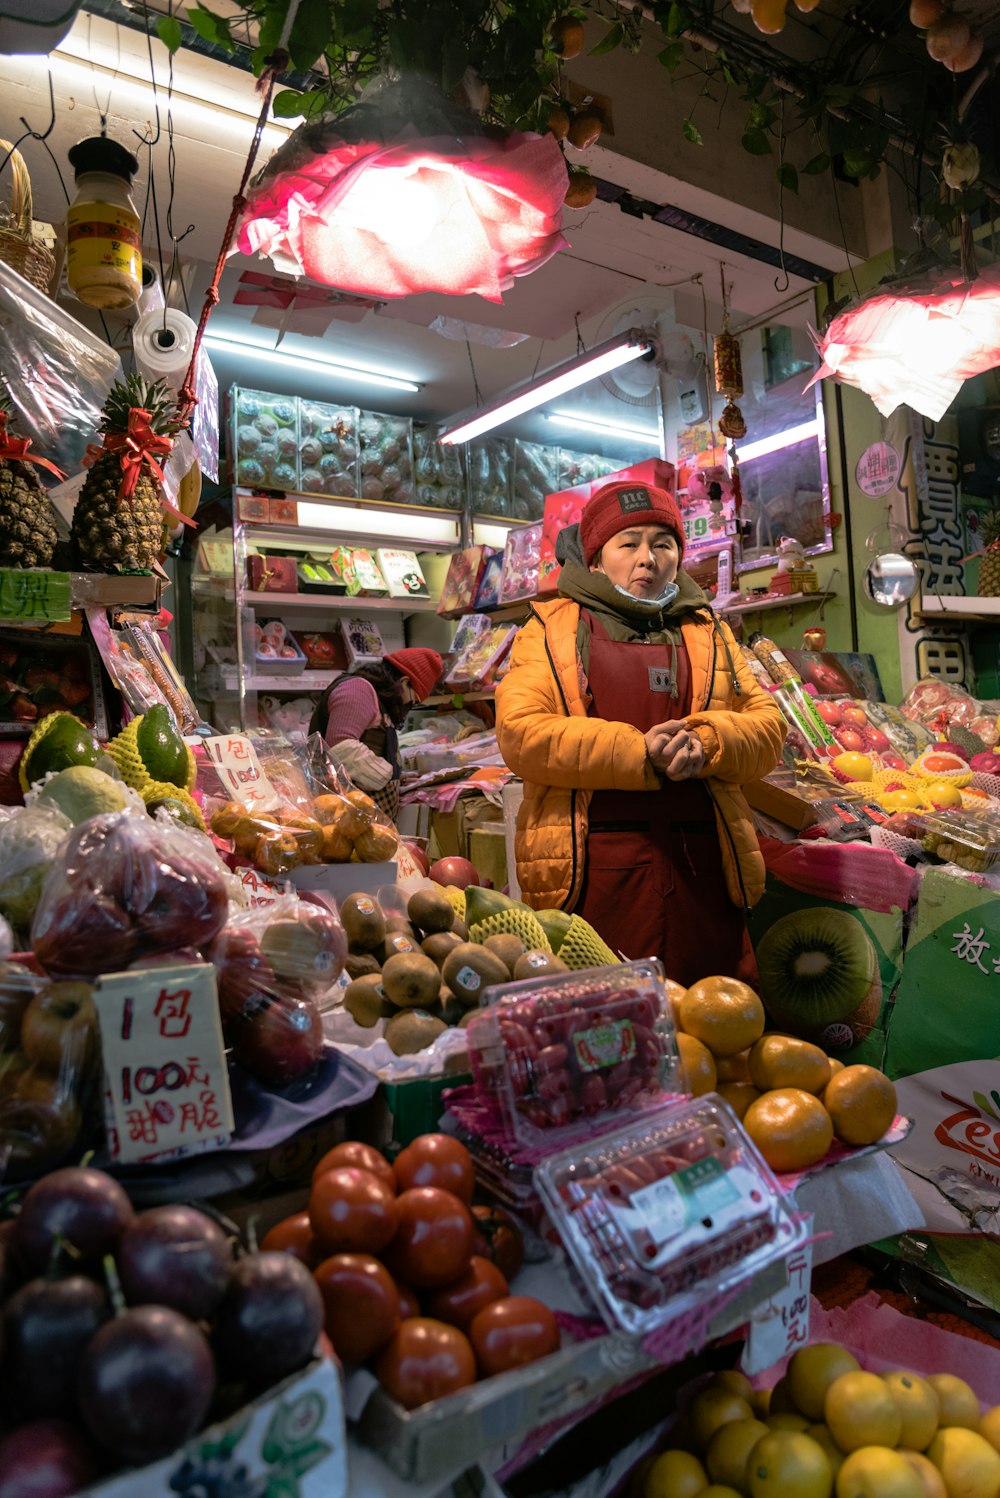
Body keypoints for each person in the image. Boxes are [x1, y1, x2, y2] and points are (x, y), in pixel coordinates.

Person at [495, 479, 786, 986]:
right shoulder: (551, 628)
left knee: (715, 1026)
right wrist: (638, 752)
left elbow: (767, 728)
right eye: (628, 544)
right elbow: (522, 733)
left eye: (663, 543)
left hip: (705, 868)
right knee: (607, 1026)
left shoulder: (709, 631)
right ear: (597, 557)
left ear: (679, 555)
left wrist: (709, 742)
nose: (646, 558)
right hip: (594, 867)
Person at [308, 647, 442, 821]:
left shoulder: (374, 699)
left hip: (358, 819)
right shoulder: (358, 690)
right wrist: (386, 775)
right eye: (413, 700)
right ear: (404, 682)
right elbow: (341, 747)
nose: (408, 707)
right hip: (338, 816)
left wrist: (397, 777)